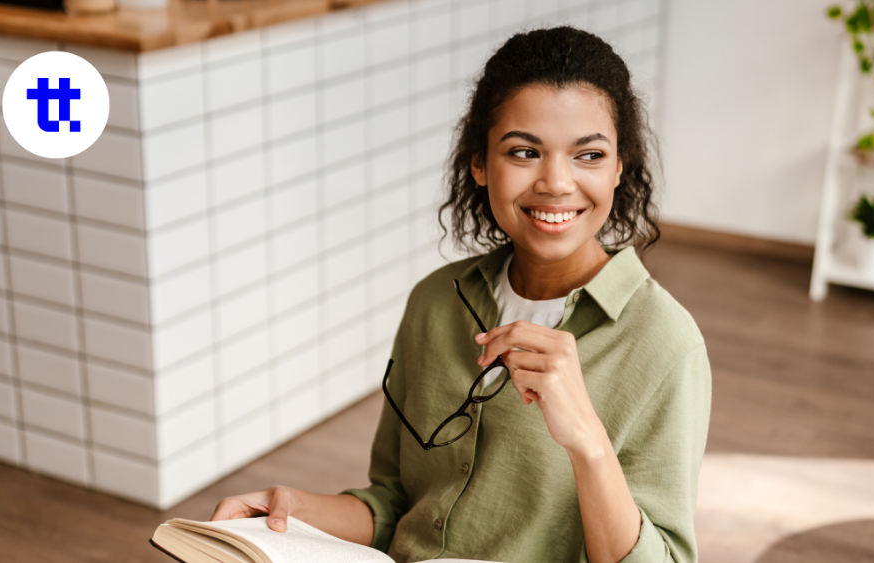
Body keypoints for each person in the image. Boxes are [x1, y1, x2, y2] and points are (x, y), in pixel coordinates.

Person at [211, 26, 711, 563]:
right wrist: (291, 510)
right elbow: (400, 504)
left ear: (619, 167)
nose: (556, 183)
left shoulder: (665, 344)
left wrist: (588, 440)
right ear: (479, 163)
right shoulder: (434, 302)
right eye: (524, 152)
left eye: (588, 156)